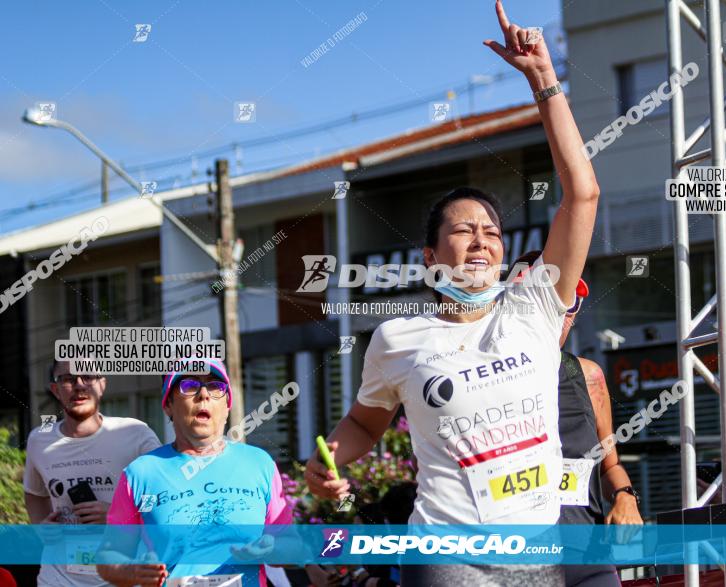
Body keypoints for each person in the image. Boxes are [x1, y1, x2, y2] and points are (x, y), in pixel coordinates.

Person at [305, 1, 601, 583]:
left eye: (491, 232)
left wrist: (544, 80)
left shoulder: (535, 306)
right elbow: (365, 425)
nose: (481, 243)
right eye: (462, 232)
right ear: (431, 257)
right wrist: (328, 459)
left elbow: (583, 194)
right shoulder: (397, 338)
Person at [96, 359, 292, 587]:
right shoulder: (140, 473)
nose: (204, 395)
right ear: (168, 404)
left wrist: (274, 549)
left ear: (228, 404)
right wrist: (133, 572)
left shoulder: (259, 463)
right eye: (188, 385)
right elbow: (108, 557)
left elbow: (293, 546)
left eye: (215, 386)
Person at [511, 251, 642, 587]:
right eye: (551, 299)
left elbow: (610, 464)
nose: (563, 314)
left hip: (587, 555)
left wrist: (625, 497)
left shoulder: (588, 375)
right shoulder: (489, 377)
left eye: (570, 303)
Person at [23, 360, 161, 587]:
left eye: (88, 376)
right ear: (56, 390)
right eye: (68, 379)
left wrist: (118, 516)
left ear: (102, 384)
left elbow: (165, 501)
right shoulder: (39, 440)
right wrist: (42, 527)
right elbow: (34, 494)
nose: (79, 385)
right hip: (57, 579)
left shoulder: (135, 434)